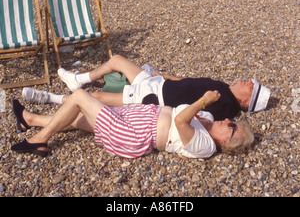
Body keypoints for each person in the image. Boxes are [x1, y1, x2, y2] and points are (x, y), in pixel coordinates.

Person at [12, 88, 255, 159]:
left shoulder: (206, 146)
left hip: (132, 134)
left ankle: (39, 140)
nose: (228, 121)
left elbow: (181, 121)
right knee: (80, 119)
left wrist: (203, 101)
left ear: (226, 142)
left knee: (79, 97)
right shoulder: (210, 122)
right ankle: (30, 120)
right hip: (134, 118)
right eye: (232, 121)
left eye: (231, 126)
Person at [23, 55, 271, 121]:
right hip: (158, 83)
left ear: (247, 102)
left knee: (96, 97)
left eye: (252, 87)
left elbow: (195, 116)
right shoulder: (221, 87)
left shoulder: (226, 107)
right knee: (117, 60)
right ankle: (79, 79)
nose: (248, 81)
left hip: (152, 99)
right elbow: (189, 83)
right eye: (252, 81)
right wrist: (165, 75)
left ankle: (51, 99)